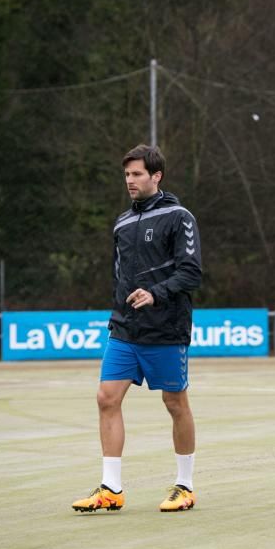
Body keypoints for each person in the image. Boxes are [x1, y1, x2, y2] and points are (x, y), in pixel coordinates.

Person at [72, 144, 203, 513]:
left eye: (137, 174)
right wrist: (118, 310)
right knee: (106, 398)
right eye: (127, 174)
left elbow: (191, 272)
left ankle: (185, 485)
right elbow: (118, 275)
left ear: (156, 176)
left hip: (166, 329)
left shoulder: (180, 217)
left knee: (175, 403)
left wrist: (156, 294)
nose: (130, 181)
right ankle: (111, 488)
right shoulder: (122, 222)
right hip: (125, 330)